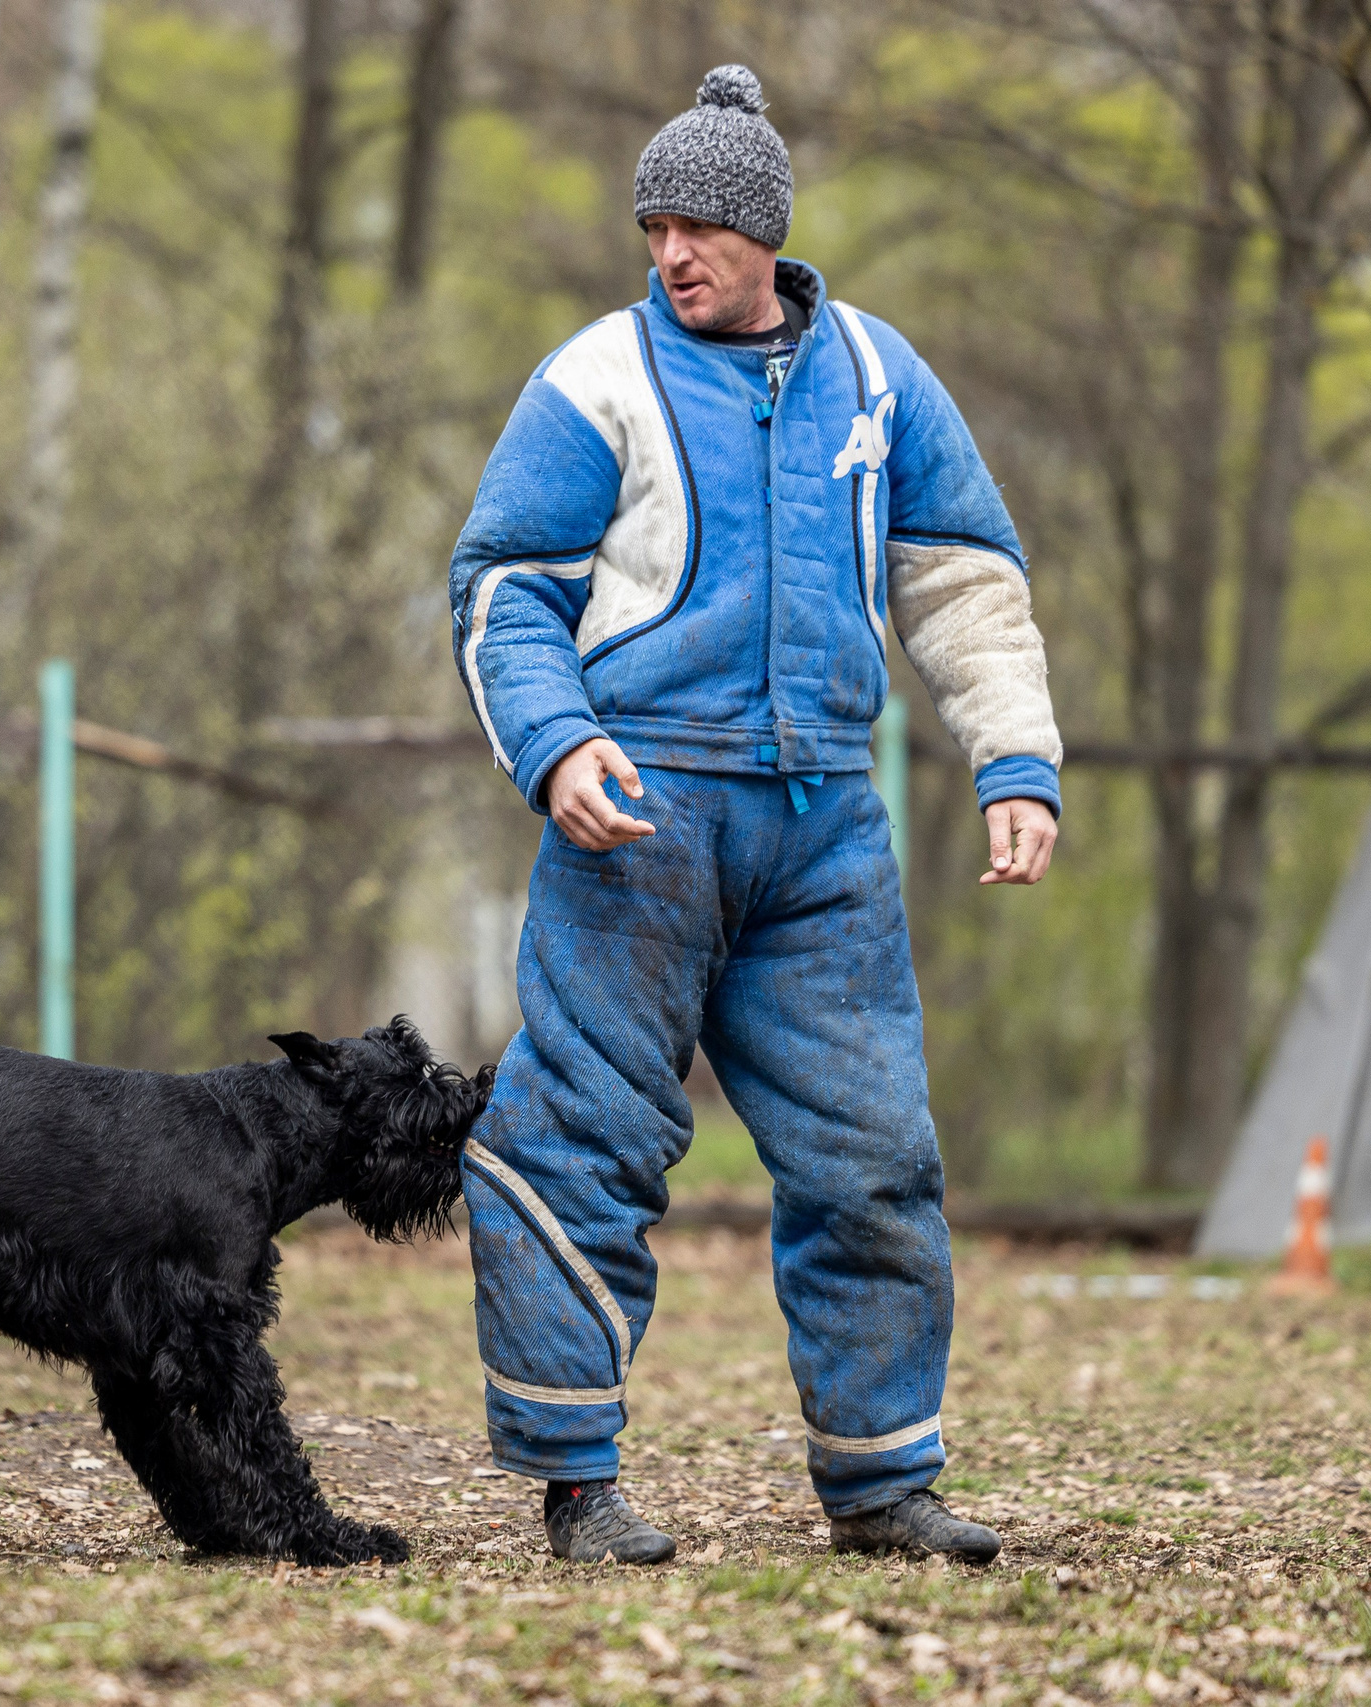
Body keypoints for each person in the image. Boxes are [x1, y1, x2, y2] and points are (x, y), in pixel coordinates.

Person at [447, 64, 1060, 1566]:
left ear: (767, 233)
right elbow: (505, 592)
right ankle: (575, 1480)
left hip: (825, 826)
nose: (672, 255)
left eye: (700, 230)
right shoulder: (595, 377)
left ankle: (883, 1480)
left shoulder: (877, 373)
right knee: (577, 1140)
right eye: (653, 230)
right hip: (636, 818)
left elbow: (966, 582)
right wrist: (557, 747)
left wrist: (1015, 763)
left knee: (874, 1157)